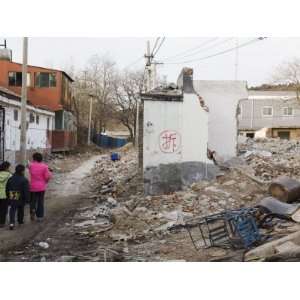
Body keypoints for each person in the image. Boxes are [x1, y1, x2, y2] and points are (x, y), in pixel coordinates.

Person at [28, 152, 52, 222]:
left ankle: (32, 210)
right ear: (41, 158)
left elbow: (29, 174)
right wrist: (46, 181)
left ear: (34, 158)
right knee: (40, 202)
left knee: (33, 201)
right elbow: (47, 176)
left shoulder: (31, 166)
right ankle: (40, 217)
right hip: (41, 187)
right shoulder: (44, 166)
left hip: (32, 187)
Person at [6, 164, 29, 230]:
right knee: (21, 209)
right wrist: (28, 199)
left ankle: (11, 223)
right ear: (22, 171)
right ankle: (20, 222)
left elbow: (7, 188)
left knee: (13, 209)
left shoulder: (11, 178)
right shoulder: (24, 179)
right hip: (21, 196)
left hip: (13, 194)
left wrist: (8, 196)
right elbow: (26, 190)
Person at [0, 161, 11, 227]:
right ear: (6, 168)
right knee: (3, 209)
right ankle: (2, 223)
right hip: (5, 194)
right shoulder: (9, 175)